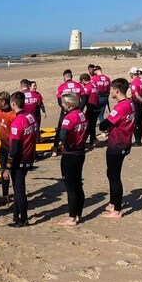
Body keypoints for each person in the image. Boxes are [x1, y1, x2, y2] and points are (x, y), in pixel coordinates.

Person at [98, 78, 135, 218]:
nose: (110, 92)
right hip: (123, 141)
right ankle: (113, 202)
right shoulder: (129, 103)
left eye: (111, 89)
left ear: (117, 91)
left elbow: (103, 125)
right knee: (111, 173)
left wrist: (105, 122)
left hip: (118, 144)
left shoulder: (121, 107)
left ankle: (117, 210)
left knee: (114, 176)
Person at [4, 92, 37, 227]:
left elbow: (15, 148)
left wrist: (7, 167)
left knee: (19, 191)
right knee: (18, 189)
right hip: (29, 157)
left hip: (20, 160)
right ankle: (16, 215)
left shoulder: (17, 122)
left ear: (13, 104)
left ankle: (23, 219)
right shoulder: (31, 117)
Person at [57, 93, 88, 226]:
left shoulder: (69, 117)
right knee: (77, 184)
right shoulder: (82, 114)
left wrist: (67, 146)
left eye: (63, 103)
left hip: (70, 154)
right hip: (80, 152)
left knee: (70, 187)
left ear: (68, 105)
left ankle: (71, 217)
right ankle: (78, 214)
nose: (62, 105)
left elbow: (62, 135)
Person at [52, 70, 85, 154]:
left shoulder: (62, 87)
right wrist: (78, 109)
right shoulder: (79, 86)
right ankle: (77, 144)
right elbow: (84, 100)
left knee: (61, 129)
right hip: (76, 110)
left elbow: (60, 102)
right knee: (77, 128)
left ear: (64, 77)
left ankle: (55, 150)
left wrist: (66, 109)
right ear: (72, 76)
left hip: (66, 110)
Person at [79, 73, 99, 145]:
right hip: (96, 107)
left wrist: (80, 109)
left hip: (91, 108)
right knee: (92, 125)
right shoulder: (94, 85)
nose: (82, 84)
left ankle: (88, 140)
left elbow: (84, 99)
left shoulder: (87, 87)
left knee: (87, 125)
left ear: (84, 80)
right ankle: (92, 140)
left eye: (81, 82)